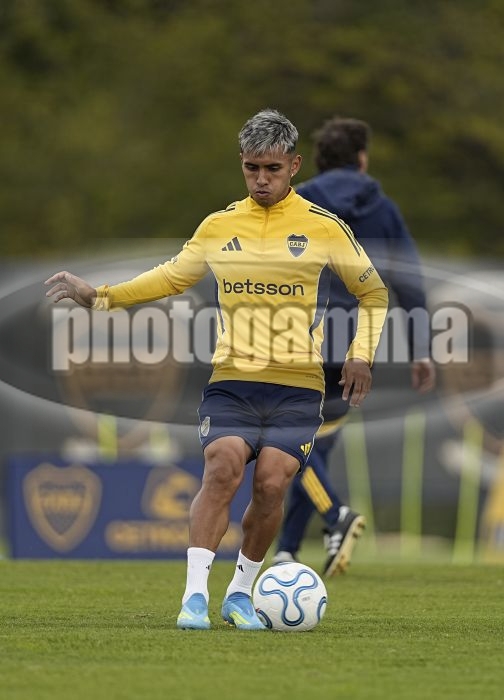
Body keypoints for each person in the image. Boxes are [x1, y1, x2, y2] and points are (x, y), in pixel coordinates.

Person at [45, 109, 389, 631]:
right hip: (233, 380)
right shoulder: (219, 225)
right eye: (252, 168)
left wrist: (361, 353)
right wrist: (100, 297)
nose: (261, 179)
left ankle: (240, 594)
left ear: (295, 165)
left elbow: (374, 291)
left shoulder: (323, 227)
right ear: (242, 165)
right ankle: (193, 598)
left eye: (272, 169)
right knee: (223, 466)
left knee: (271, 484)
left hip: (298, 386)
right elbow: (171, 277)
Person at [273, 116, 436, 577]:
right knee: (316, 446)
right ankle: (287, 550)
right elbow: (410, 281)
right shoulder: (384, 210)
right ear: (362, 159)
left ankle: (335, 516)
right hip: (358, 344)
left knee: (281, 438)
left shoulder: (297, 200)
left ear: (318, 161)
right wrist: (422, 348)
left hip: (303, 337)